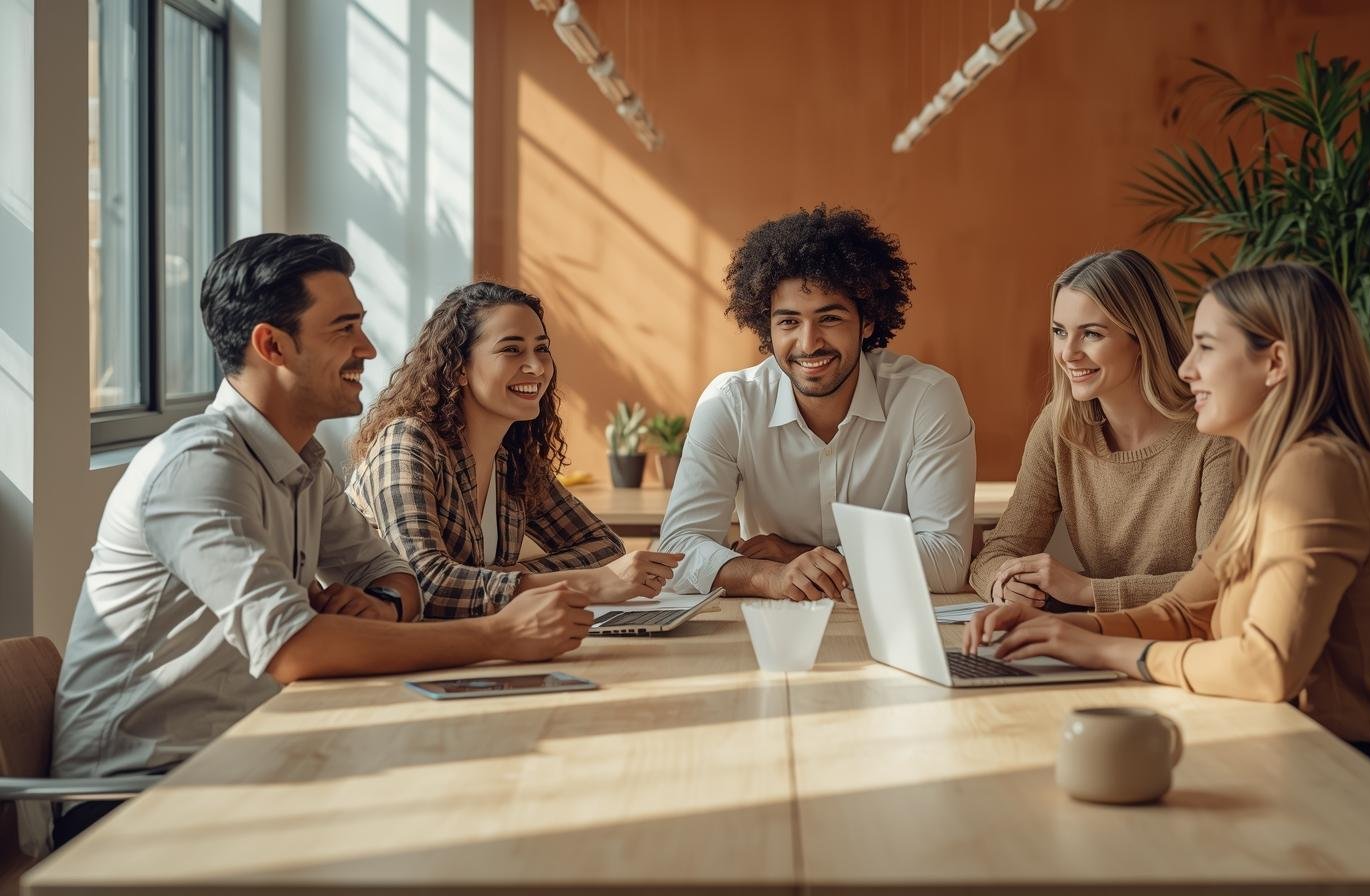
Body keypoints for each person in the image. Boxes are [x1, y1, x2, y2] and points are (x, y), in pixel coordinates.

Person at [50, 235, 592, 846]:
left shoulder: (303, 462)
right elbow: (294, 649)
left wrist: (383, 603)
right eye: (345, 329)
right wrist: (498, 635)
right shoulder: (199, 466)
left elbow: (394, 573)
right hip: (139, 799)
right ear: (272, 345)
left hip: (253, 757)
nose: (369, 348)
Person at [964, 262, 1370, 829]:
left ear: (1275, 362)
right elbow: (1187, 611)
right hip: (1310, 755)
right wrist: (1061, 632)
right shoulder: (1274, 469)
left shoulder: (1318, 472)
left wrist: (1099, 649)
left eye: (1205, 348)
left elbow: (1266, 668)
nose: (1185, 368)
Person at [658, 205, 976, 601]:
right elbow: (678, 551)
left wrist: (797, 558)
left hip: (894, 627)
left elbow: (946, 562)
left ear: (868, 321)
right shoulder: (730, 404)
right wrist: (767, 577)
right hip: (777, 628)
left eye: (829, 319)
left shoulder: (926, 398)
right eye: (789, 321)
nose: (808, 344)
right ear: (767, 326)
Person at [346, 281, 682, 616]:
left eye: (542, 348)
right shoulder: (407, 443)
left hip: (465, 648)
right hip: (374, 654)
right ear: (458, 368)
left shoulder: (512, 459)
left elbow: (604, 548)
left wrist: (503, 579)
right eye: (512, 349)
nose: (536, 367)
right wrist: (588, 583)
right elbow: (424, 585)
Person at [968, 250, 1234, 613]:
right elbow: (998, 552)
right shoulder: (1059, 426)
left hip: (1188, 645)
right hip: (1099, 638)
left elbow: (1215, 583)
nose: (1068, 353)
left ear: (1142, 337)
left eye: (1091, 334)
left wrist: (1086, 591)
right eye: (1060, 332)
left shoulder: (1215, 433)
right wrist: (1005, 583)